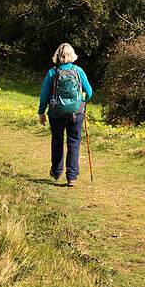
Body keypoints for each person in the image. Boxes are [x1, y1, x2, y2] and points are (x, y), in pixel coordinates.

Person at [38, 43, 92, 187]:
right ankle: (72, 177)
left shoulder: (52, 72)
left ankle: (56, 172)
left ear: (57, 56)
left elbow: (44, 94)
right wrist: (81, 102)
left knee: (57, 141)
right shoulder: (78, 71)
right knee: (73, 143)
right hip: (76, 114)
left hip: (56, 113)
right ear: (72, 55)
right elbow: (89, 92)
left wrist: (41, 112)